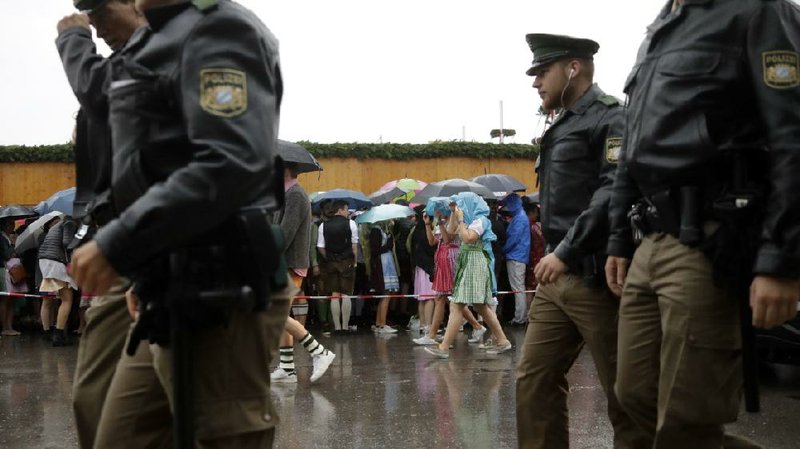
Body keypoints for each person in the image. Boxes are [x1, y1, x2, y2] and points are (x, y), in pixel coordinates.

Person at [69, 1, 290, 447]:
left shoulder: (220, 28)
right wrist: (147, 263)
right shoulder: (158, 37)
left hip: (222, 284)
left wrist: (121, 242)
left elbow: (231, 159)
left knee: (223, 435)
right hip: (167, 282)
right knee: (120, 436)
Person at [604, 2, 800, 448]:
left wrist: (781, 261)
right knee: (634, 399)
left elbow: (793, 136)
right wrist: (618, 238)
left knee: (688, 420)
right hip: (650, 239)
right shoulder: (660, 28)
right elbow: (632, 148)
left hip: (709, 241)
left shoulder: (757, 11)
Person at [515, 33, 646, 449]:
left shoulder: (610, 117)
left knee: (627, 395)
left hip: (597, 277)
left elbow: (612, 192)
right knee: (533, 381)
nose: (536, 82)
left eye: (542, 72)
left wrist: (567, 251)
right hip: (559, 277)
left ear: (573, 68)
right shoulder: (564, 122)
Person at [55, 1, 146, 446]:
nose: (93, 22)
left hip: (163, 253)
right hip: (127, 254)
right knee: (93, 398)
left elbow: (101, 93)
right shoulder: (120, 65)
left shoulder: (165, 52)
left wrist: (73, 42)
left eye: (100, 9)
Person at [424, 192, 511, 358]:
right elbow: (448, 236)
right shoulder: (468, 220)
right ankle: (502, 340)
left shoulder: (481, 221)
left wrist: (461, 219)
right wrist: (445, 217)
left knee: (457, 304)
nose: (458, 208)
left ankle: (443, 347)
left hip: (476, 261)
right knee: (480, 306)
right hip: (467, 261)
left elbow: (468, 238)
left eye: (461, 205)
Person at [271, 162, 335, 384]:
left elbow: (284, 234)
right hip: (283, 262)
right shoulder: (285, 193)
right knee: (282, 315)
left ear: (284, 170)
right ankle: (288, 368)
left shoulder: (296, 195)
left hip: (289, 262)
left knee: (277, 313)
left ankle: (319, 352)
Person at [317, 200, 358, 333]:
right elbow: (354, 245)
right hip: (347, 261)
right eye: (346, 209)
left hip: (331, 262)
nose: (348, 212)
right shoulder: (351, 223)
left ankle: (337, 327)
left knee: (334, 293)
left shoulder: (323, 225)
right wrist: (355, 260)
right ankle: (345, 327)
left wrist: (328, 257)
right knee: (346, 293)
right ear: (340, 210)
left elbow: (320, 247)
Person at [38, 216, 79, 347]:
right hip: (56, 260)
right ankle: (58, 335)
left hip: (44, 260)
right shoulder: (70, 222)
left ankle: (47, 332)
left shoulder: (57, 225)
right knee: (67, 299)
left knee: (47, 299)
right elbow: (67, 243)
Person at [500, 193, 531, 326]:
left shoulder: (519, 218)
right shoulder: (520, 216)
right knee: (518, 288)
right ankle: (521, 317)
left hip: (515, 257)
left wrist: (502, 250)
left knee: (518, 289)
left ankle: (520, 318)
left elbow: (513, 240)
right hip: (518, 257)